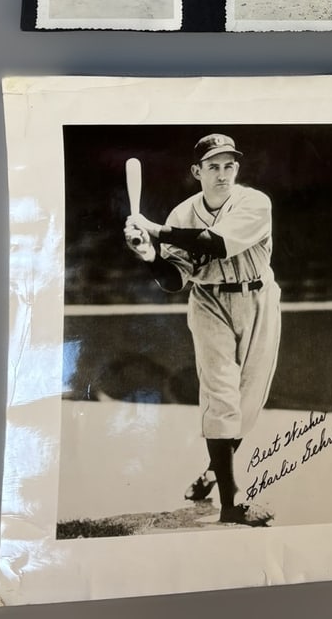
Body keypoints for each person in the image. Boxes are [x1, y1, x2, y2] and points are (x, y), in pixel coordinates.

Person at [123, 133, 281, 527]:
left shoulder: (255, 202)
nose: (223, 173)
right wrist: (147, 256)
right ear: (197, 172)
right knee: (221, 396)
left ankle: (212, 474)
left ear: (237, 169)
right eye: (213, 166)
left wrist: (155, 232)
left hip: (260, 297)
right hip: (209, 301)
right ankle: (232, 502)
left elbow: (215, 242)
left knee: (248, 405)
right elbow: (175, 280)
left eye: (229, 165)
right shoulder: (181, 215)